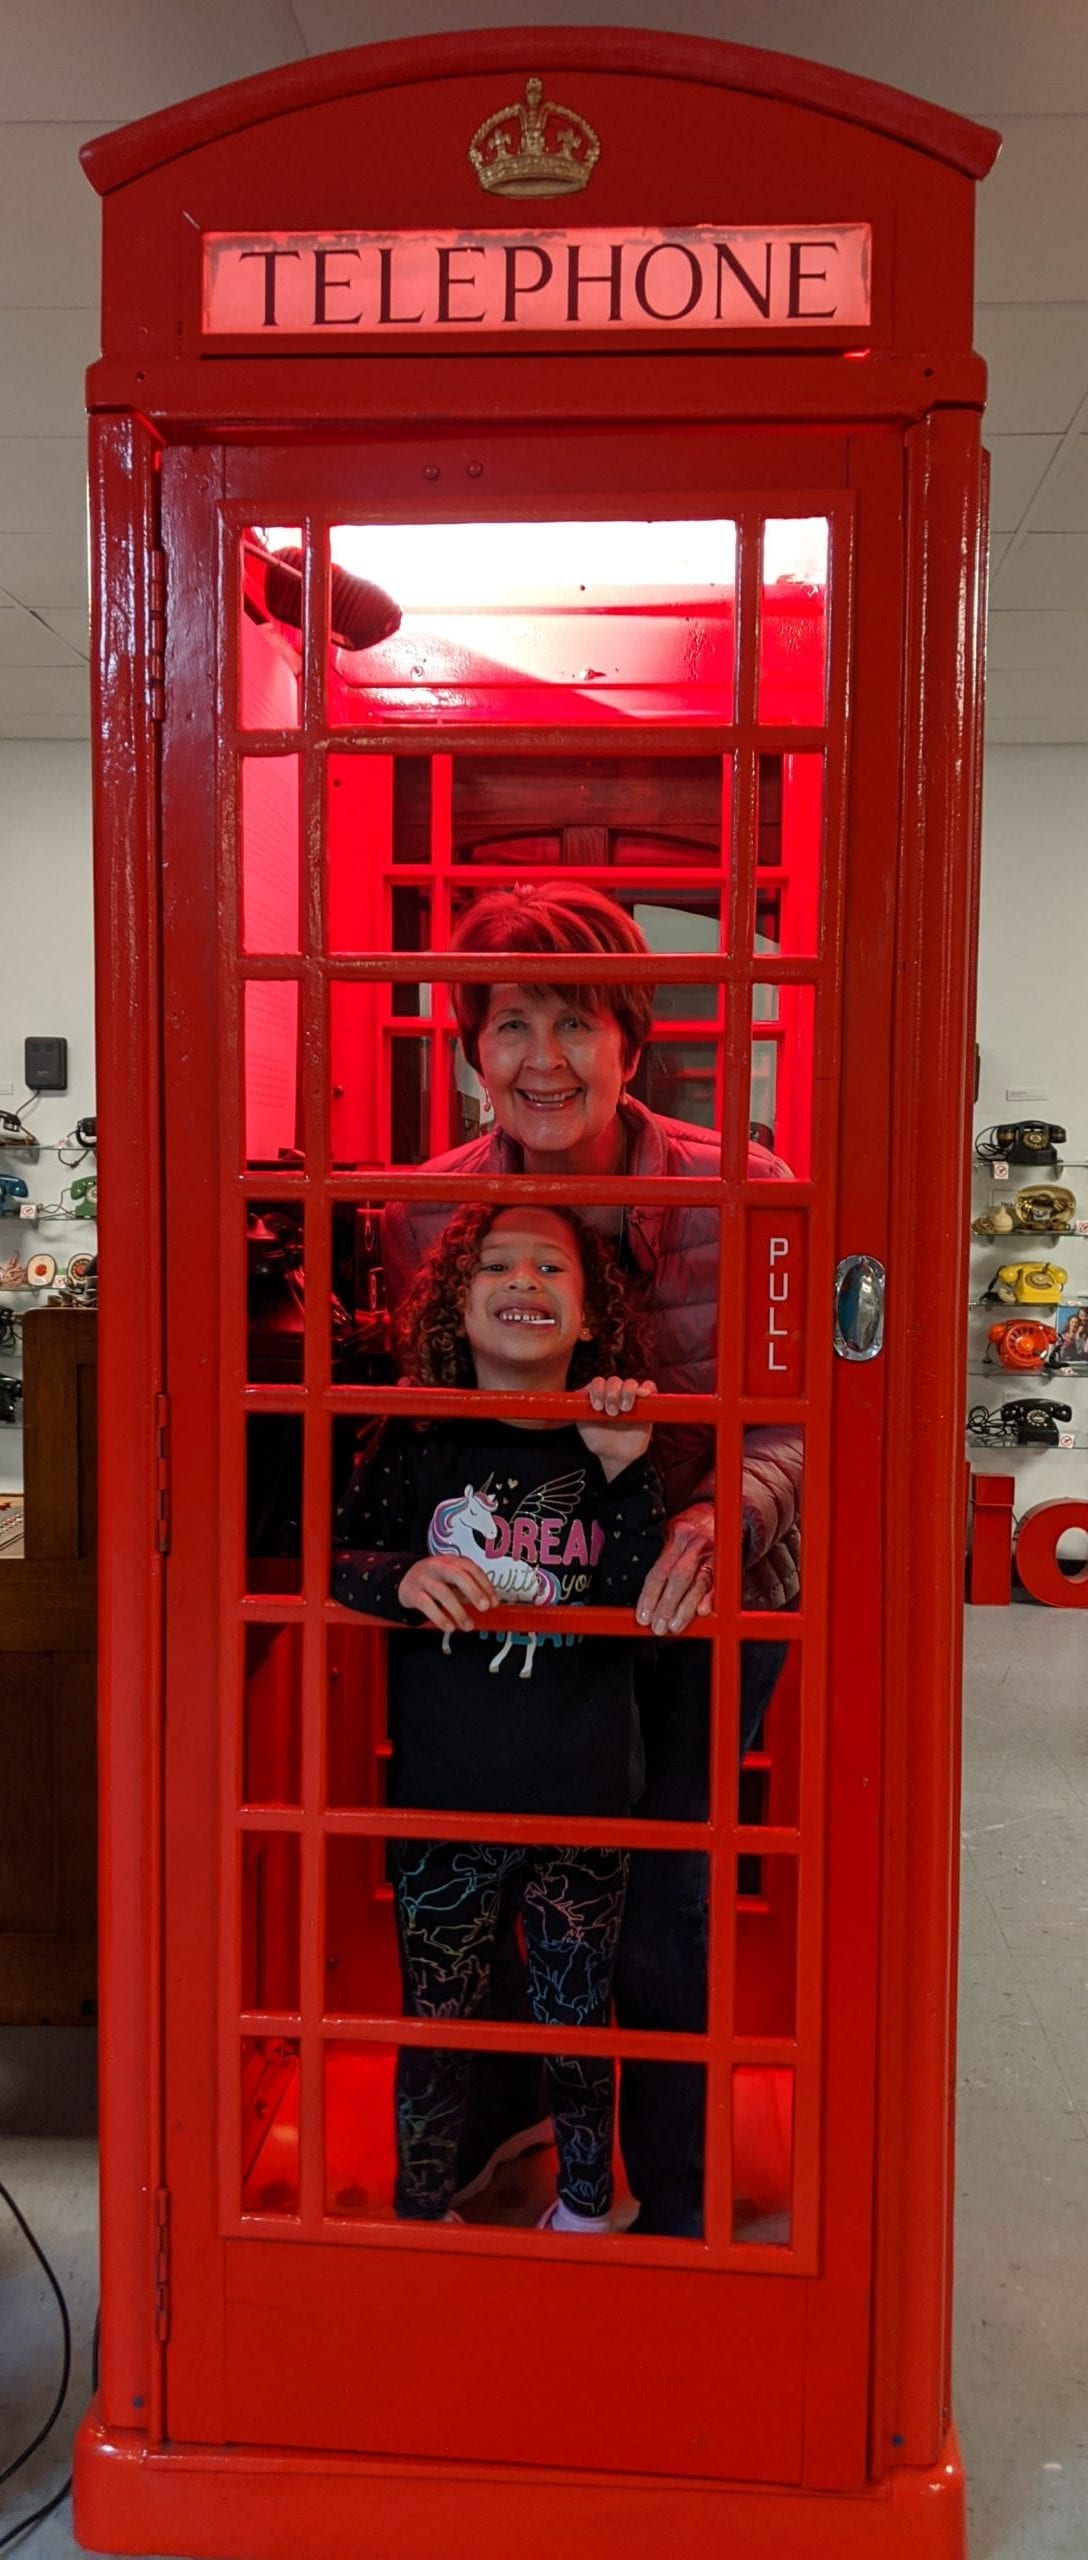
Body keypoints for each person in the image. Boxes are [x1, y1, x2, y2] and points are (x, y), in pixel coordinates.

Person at [382, 882, 802, 2235]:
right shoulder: (417, 1213)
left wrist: (721, 1506)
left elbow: (802, 1416)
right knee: (494, 1879)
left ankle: (676, 2207)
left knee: (665, 1903)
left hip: (695, 1599)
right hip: (517, 1609)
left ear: (632, 1039)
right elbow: (411, 1430)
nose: (543, 1058)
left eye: (577, 1021)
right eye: (511, 1023)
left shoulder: (752, 1191)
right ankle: (514, 2138)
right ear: (470, 1043)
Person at [332, 1201, 665, 2231]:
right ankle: (423, 2200)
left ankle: (581, 2198)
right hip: (444, 1789)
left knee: (577, 2011)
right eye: (493, 1265)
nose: (522, 1280)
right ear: (453, 1302)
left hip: (581, 1788)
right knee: (435, 2015)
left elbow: (640, 1597)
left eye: (551, 1267)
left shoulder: (615, 1439)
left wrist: (624, 1467)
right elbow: (340, 1556)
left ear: (591, 1316)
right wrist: (403, 1575)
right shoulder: (413, 1434)